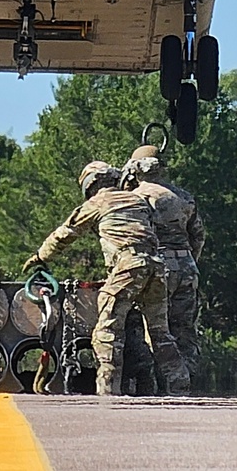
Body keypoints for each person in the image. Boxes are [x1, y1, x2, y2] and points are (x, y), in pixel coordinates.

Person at [22, 161, 189, 397]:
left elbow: (66, 233)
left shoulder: (97, 203)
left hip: (128, 266)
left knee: (107, 332)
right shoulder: (137, 200)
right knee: (160, 333)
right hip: (156, 267)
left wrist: (40, 256)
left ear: (90, 185)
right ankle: (180, 387)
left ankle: (108, 392)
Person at [121, 145, 204, 389]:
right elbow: (198, 236)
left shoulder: (136, 198)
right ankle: (184, 384)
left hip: (156, 267)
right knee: (185, 328)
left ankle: (155, 385)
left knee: (152, 328)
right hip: (187, 266)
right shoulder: (184, 197)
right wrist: (188, 262)